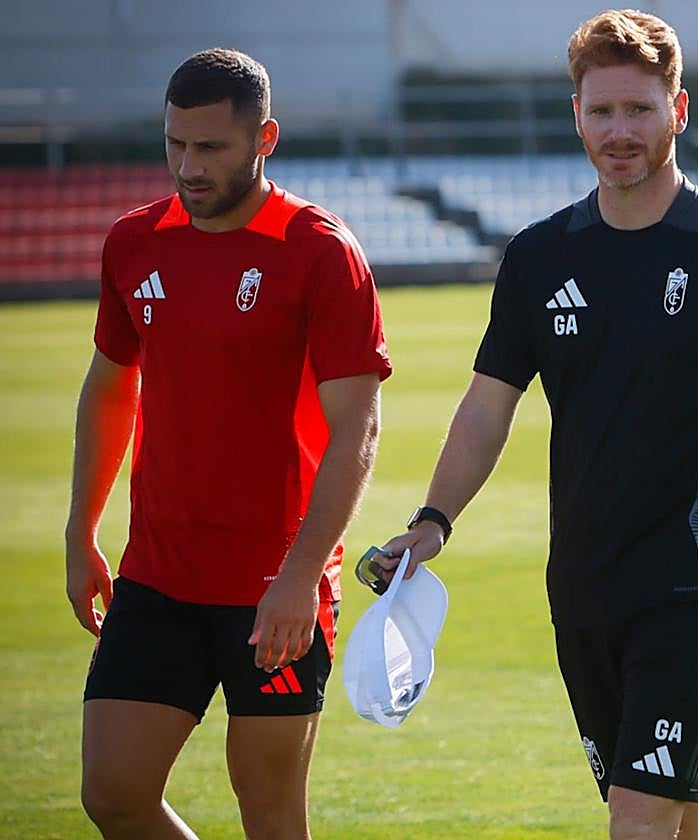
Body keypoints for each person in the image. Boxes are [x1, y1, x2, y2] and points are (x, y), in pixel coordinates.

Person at [376, 9, 698, 840]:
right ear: (575, 114)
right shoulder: (541, 258)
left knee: (638, 823)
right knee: (680, 821)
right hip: (582, 587)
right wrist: (431, 524)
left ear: (677, 112)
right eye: (602, 111)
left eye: (640, 110)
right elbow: (486, 405)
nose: (620, 130)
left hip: (697, 585)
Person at [64, 48, 391, 839]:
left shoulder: (319, 251)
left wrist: (301, 576)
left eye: (210, 147)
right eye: (175, 143)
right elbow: (111, 384)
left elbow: (358, 427)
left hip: (274, 588)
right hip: (158, 574)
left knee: (271, 816)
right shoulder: (134, 243)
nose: (188, 165)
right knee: (112, 793)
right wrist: (81, 530)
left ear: (264, 139)